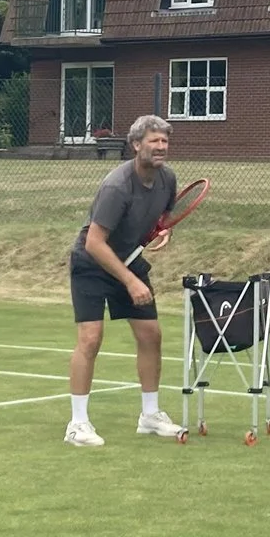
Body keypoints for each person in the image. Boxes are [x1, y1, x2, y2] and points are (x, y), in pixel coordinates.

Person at [65, 113, 190, 447]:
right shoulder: (116, 186)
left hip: (129, 260)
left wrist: (165, 229)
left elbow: (162, 216)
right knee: (90, 339)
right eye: (154, 141)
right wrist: (131, 282)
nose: (161, 147)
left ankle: (150, 416)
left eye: (165, 141)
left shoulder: (168, 179)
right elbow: (94, 242)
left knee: (151, 335)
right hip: (91, 263)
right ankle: (77, 424)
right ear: (136, 145)